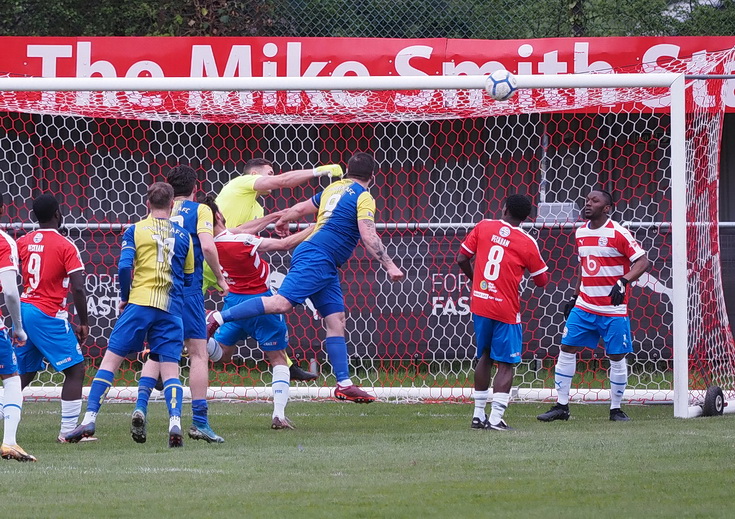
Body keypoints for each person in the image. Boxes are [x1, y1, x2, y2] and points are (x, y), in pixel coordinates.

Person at [206, 152, 404, 403]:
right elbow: (368, 234)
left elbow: (300, 208)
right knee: (281, 304)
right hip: (316, 256)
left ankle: (344, 384)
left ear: (348, 172)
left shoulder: (334, 188)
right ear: (372, 177)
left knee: (337, 320)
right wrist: (389, 264)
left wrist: (284, 219)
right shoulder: (364, 197)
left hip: (327, 262)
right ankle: (218, 317)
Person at [65, 183, 194, 447]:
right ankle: (175, 424)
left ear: (147, 203)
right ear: (172, 205)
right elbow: (189, 278)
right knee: (170, 369)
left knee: (111, 361)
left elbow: (125, 268)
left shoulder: (135, 230)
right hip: (171, 309)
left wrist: (126, 296)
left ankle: (89, 419)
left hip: (140, 302)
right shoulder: (184, 236)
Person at [203, 158, 344, 382]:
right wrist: (319, 171)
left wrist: (278, 217)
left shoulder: (257, 206)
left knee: (223, 351)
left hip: (226, 269)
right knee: (183, 317)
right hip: (206, 263)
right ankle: (163, 361)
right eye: (269, 173)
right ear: (255, 173)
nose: (272, 176)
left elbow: (241, 232)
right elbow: (283, 181)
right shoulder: (241, 183)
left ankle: (285, 364)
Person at [132, 165, 229, 445]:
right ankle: (199, 422)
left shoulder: (159, 212)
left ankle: (141, 406)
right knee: (198, 353)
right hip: (188, 290)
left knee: (159, 352)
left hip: (158, 292)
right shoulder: (200, 210)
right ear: (195, 189)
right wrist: (222, 280)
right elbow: (209, 247)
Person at [201, 195, 314, 429]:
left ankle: (201, 338)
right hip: (262, 304)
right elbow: (284, 245)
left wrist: (273, 217)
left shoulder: (208, 245)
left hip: (233, 303)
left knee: (222, 354)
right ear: (220, 215)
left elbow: (239, 229)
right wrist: (313, 228)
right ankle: (279, 415)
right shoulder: (242, 241)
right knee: (279, 359)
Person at [537, 189, 649, 423]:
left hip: (613, 310)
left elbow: (643, 261)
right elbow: (583, 266)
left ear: (606, 208)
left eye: (594, 201)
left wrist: (623, 281)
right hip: (584, 306)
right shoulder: (580, 232)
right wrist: (575, 296)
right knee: (566, 349)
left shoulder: (619, 233)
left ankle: (616, 409)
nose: (588, 204)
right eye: (587, 200)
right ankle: (561, 407)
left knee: (617, 357)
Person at [457, 195, 549, 431]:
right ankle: (496, 419)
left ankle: (478, 416)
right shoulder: (527, 242)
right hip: (505, 308)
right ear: (527, 216)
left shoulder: (484, 226)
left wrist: (476, 280)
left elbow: (461, 258)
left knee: (485, 355)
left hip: (480, 303)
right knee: (506, 364)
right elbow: (542, 280)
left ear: (505, 208)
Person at [16, 194, 91, 444]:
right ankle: (69, 433)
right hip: (47, 313)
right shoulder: (66, 245)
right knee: (75, 370)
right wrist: (84, 322)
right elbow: (78, 288)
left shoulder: (23, 242)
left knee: (22, 375)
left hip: (25, 310)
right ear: (57, 214)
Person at [0, 198, 35, 462]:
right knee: (12, 378)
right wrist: (18, 328)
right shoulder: (4, 242)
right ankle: (9, 441)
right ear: (2, 209)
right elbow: (11, 292)